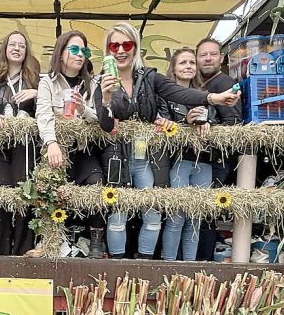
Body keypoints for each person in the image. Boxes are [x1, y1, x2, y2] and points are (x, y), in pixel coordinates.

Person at [96, 24, 239, 259]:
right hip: (117, 156)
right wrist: (106, 97)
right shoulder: (102, 81)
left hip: (146, 157)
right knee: (118, 214)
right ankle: (118, 265)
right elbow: (105, 124)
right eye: (114, 45)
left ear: (135, 47)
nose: (121, 50)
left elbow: (178, 93)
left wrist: (212, 98)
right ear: (108, 50)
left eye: (126, 44)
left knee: (153, 212)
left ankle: (144, 264)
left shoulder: (149, 77)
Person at [35, 30, 103, 257]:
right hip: (57, 149)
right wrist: (52, 143)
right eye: (74, 49)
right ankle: (58, 241)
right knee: (52, 190)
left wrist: (84, 109)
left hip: (83, 149)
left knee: (97, 184)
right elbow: (43, 115)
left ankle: (94, 240)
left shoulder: (92, 83)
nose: (80, 54)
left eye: (84, 50)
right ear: (61, 53)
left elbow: (102, 118)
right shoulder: (47, 82)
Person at [0, 31, 39, 256]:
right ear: (4, 49)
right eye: (12, 44)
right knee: (0, 198)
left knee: (24, 197)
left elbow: (50, 106)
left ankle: (23, 251)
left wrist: (35, 93)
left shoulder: (35, 79)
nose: (17, 48)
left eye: (22, 46)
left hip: (25, 146)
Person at [161, 47, 214, 261]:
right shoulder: (164, 95)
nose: (188, 66)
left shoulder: (206, 96)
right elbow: (161, 125)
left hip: (204, 160)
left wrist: (209, 123)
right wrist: (185, 123)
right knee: (176, 216)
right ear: (173, 68)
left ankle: (189, 267)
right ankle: (168, 265)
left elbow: (218, 121)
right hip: (178, 160)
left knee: (196, 217)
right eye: (183, 63)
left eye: (192, 62)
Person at [194, 38, 243, 261]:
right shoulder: (195, 84)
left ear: (221, 58)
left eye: (212, 54)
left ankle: (203, 260)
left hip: (218, 160)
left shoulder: (225, 83)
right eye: (203, 55)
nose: (207, 59)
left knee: (206, 212)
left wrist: (209, 129)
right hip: (198, 159)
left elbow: (233, 125)